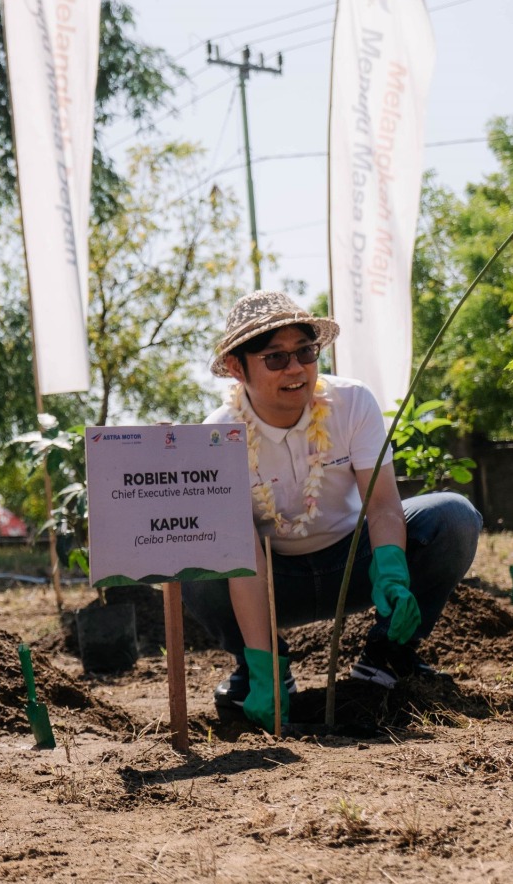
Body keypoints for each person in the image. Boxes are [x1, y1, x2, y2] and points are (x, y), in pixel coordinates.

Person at [181, 292, 482, 727]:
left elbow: (382, 506)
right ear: (235, 366)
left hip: (352, 565)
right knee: (195, 564)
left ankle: (387, 658)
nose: (296, 368)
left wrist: (394, 574)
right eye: (275, 358)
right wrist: (263, 661)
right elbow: (240, 555)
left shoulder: (352, 402)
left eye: (306, 352)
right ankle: (262, 672)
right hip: (272, 581)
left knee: (453, 516)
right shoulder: (218, 436)